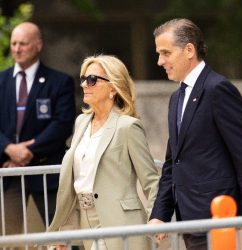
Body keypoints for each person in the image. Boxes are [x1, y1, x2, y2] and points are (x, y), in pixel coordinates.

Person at [148, 18, 242, 249]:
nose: (160, 61)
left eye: (165, 53)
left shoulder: (218, 88)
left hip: (216, 217)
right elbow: (174, 161)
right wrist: (159, 213)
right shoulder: (176, 98)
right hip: (189, 217)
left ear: (189, 50)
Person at [47, 55, 160, 250]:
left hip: (121, 221)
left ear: (113, 88)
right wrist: (65, 231)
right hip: (86, 221)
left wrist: (157, 218)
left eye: (92, 80)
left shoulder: (128, 126)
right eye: (83, 79)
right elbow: (79, 183)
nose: (84, 85)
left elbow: (150, 180)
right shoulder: (81, 122)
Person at [0, 22, 75, 234]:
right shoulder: (1, 81)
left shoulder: (59, 82)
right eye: (14, 43)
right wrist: (8, 149)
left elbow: (62, 124)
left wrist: (25, 153)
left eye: (23, 43)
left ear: (38, 44)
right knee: (7, 241)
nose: (16, 49)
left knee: (64, 237)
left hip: (47, 174)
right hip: (9, 176)